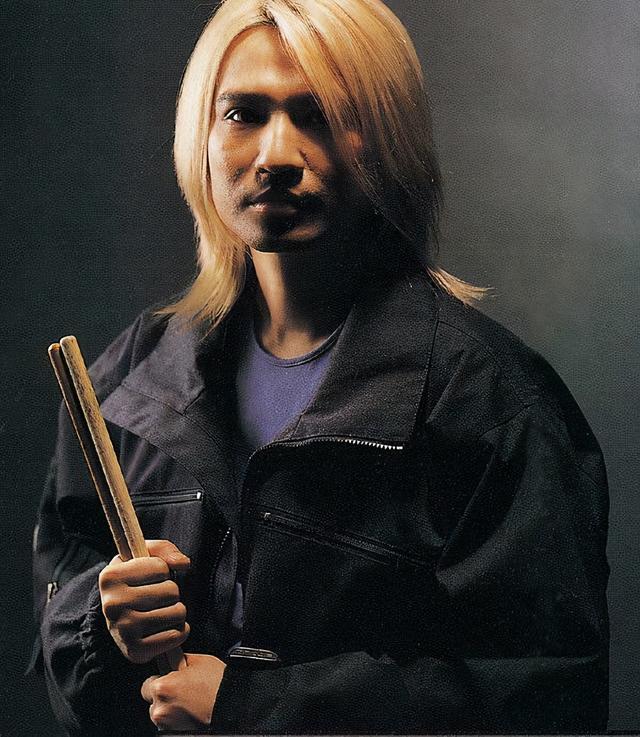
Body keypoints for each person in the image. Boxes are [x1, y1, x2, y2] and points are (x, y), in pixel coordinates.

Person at [32, 0, 609, 734]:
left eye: (323, 115)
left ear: (390, 139)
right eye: (243, 113)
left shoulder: (492, 404)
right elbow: (59, 642)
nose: (277, 153)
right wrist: (102, 622)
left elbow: (546, 697)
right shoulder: (130, 381)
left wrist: (253, 711)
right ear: (200, 137)